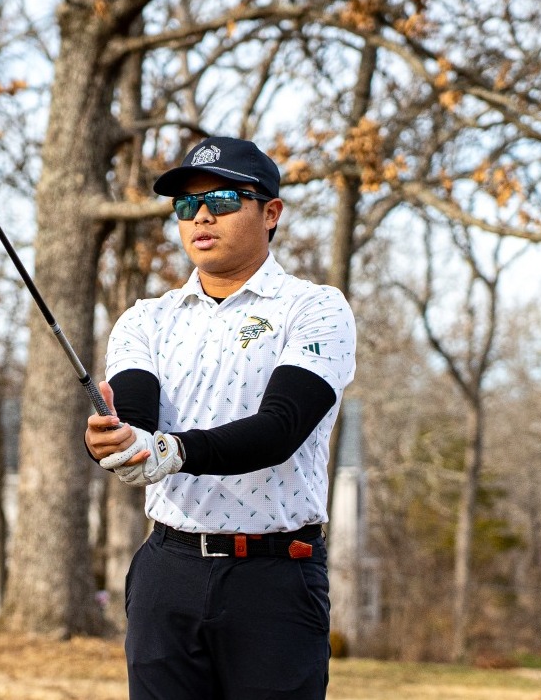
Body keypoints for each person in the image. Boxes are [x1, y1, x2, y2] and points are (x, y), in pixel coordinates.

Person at [85, 135, 356, 699]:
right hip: (169, 570)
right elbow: (138, 424)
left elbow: (281, 428)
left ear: (271, 212)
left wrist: (172, 452)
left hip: (276, 576)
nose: (201, 216)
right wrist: (116, 443)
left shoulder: (314, 308)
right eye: (186, 205)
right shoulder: (145, 320)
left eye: (225, 199)